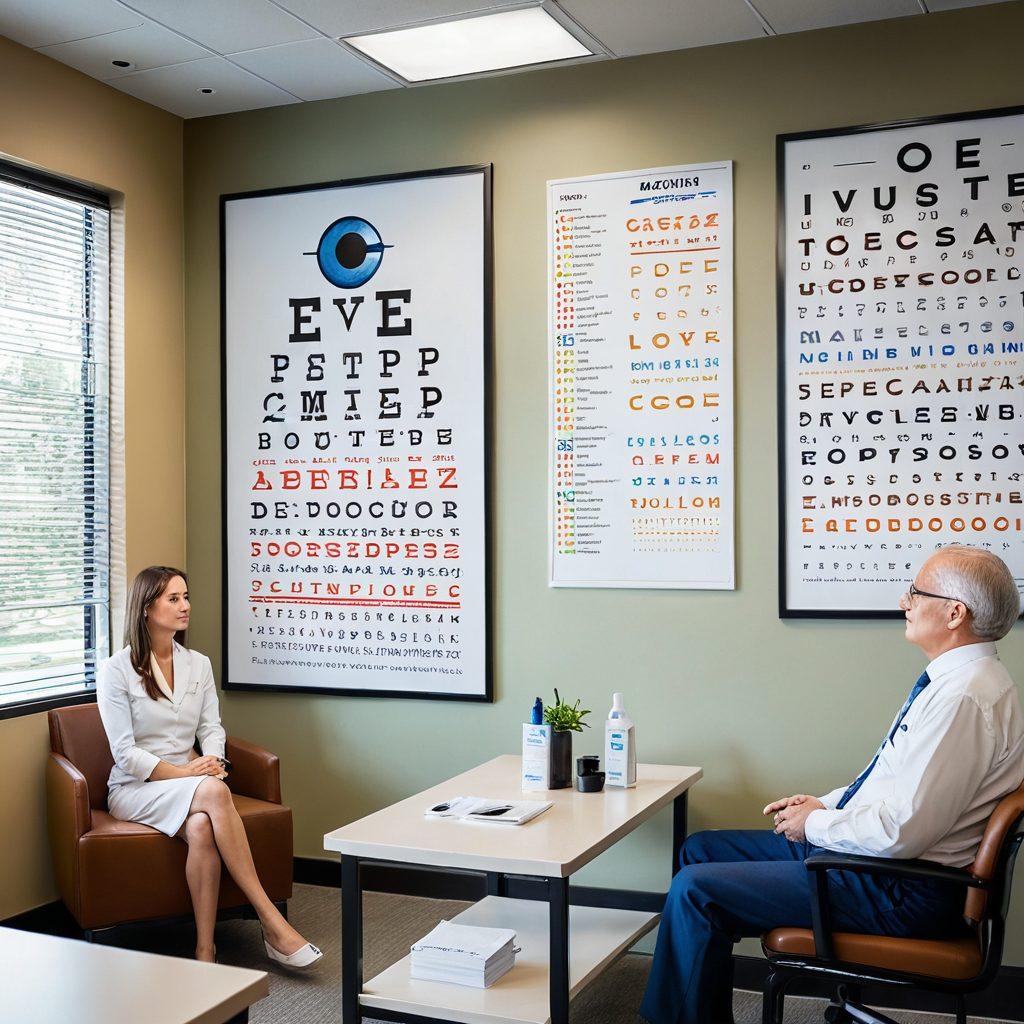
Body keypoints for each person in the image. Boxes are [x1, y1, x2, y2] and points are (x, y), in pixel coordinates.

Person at [640, 545, 1023, 1024]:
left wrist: (817, 825)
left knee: (697, 889)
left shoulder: (964, 698)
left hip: (901, 890)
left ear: (954, 613)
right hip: (885, 869)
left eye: (915, 592)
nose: (904, 602)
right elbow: (890, 781)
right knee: (700, 851)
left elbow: (902, 831)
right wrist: (823, 805)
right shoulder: (961, 681)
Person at [97, 565, 322, 968]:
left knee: (202, 826)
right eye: (174, 598)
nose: (186, 606)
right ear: (147, 608)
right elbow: (125, 754)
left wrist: (213, 761)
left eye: (186, 597)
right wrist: (191, 775)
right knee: (215, 792)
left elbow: (212, 727)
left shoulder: (197, 663)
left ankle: (205, 951)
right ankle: (270, 919)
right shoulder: (117, 669)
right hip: (136, 787)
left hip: (192, 782)